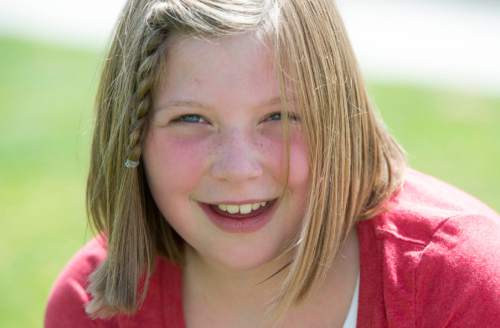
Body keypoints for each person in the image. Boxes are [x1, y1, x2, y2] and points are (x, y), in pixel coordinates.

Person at [44, 0, 500, 327]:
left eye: (279, 117)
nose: (238, 168)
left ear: (338, 120)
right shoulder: (91, 307)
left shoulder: (460, 288)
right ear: (132, 138)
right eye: (190, 118)